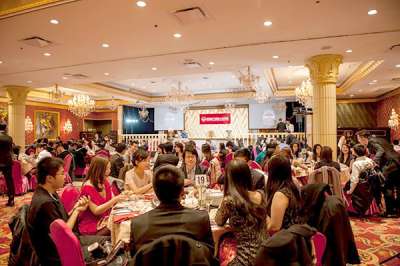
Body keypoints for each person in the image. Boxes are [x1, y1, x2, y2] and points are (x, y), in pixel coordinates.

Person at [129, 165, 214, 255]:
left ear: (155, 192)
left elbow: (135, 258)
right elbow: (209, 255)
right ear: (182, 192)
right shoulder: (200, 219)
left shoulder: (138, 224)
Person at [27, 157, 89, 265]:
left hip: (64, 245)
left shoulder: (50, 193)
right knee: (106, 244)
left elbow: (61, 220)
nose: (65, 176)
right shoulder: (45, 203)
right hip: (58, 254)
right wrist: (76, 211)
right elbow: (63, 234)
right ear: (50, 178)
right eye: (62, 173)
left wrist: (76, 208)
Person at [215, 159, 267, 266]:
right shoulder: (260, 195)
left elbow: (219, 221)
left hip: (246, 259)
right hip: (266, 254)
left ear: (229, 179)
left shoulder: (230, 201)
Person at [79, 156, 127, 235]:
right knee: (121, 229)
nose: (109, 171)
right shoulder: (87, 187)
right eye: (107, 169)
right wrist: (114, 200)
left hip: (105, 217)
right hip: (92, 224)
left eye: (109, 168)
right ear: (98, 170)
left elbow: (112, 200)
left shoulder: (104, 182)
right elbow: (96, 211)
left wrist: (122, 196)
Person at [265, 155, 302, 234]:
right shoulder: (293, 185)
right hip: (295, 236)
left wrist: (263, 215)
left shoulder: (280, 194)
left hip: (285, 240)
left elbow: (275, 227)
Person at [0, 123, 14, 206]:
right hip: (7, 161)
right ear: (5, 129)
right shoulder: (9, 138)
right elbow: (10, 150)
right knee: (9, 181)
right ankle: (11, 200)